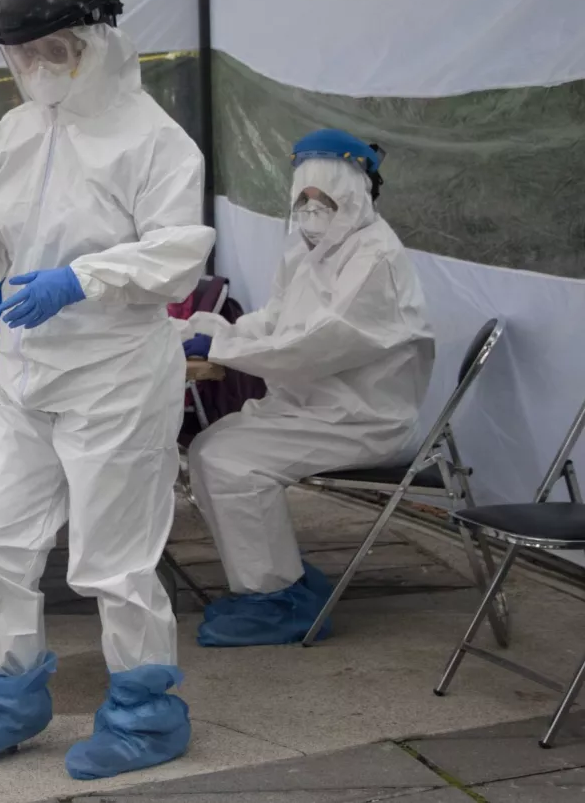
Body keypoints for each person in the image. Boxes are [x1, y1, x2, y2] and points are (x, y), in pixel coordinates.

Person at [0, 0, 214, 780]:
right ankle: (8, 694)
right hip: (22, 370)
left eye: (58, 49)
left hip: (114, 372)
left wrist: (83, 278)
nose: (41, 66)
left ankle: (147, 714)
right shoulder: (6, 136)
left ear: (103, 43)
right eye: (25, 54)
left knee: (113, 558)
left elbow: (178, 250)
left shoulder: (154, 141)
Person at [181, 129, 435, 648]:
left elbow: (316, 346)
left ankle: (276, 601)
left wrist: (220, 347)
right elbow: (277, 319)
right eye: (304, 197)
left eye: (324, 198)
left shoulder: (373, 259)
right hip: (315, 405)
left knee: (230, 462)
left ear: (358, 194)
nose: (311, 208)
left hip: (363, 416)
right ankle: (273, 580)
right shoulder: (309, 245)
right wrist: (211, 329)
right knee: (209, 449)